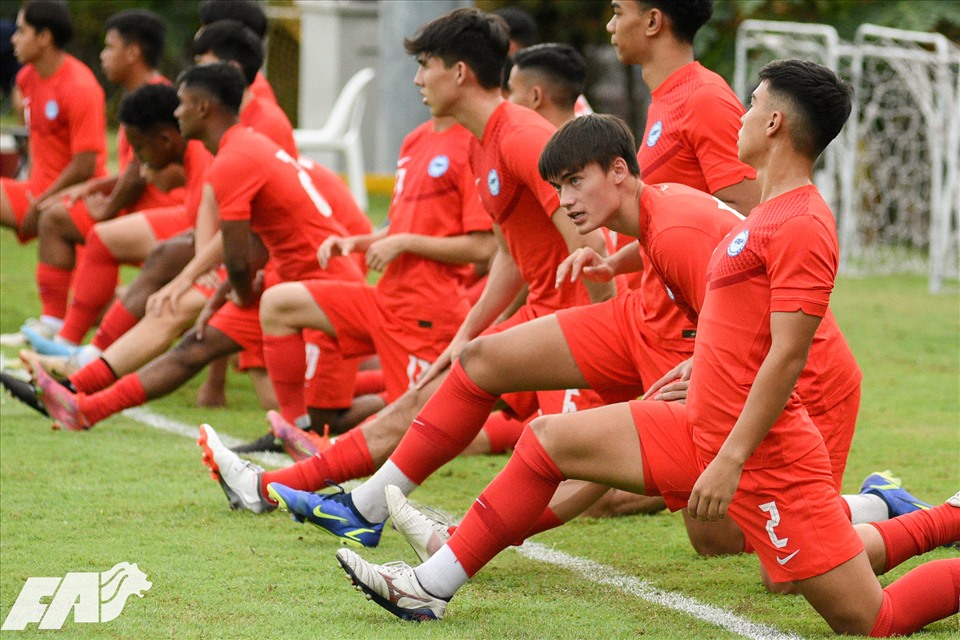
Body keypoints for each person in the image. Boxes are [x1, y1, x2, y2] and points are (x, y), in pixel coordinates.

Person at [334, 61, 960, 635]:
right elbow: (737, 312)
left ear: (774, 123)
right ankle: (430, 587)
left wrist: (731, 459)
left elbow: (788, 357)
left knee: (869, 618)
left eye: (750, 105)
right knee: (547, 440)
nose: (739, 117)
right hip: (699, 425)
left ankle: (942, 518)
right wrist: (696, 357)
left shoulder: (802, 223)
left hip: (765, 454)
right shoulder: (763, 213)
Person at [196, 7, 614, 521]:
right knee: (422, 404)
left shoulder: (521, 135)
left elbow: (591, 238)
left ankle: (355, 509)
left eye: (426, 64)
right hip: (548, 319)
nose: (416, 78)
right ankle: (288, 490)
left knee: (591, 480)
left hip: (579, 326)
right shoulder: (482, 145)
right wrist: (468, 333)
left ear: (459, 72)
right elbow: (510, 254)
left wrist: (602, 327)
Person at [22, 63, 363, 432]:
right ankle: (81, 403)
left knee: (334, 413)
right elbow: (255, 238)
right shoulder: (239, 148)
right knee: (194, 346)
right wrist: (193, 280)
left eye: (182, 103)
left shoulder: (234, 158)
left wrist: (236, 291)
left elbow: (236, 251)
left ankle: (312, 435)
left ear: (203, 108)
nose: (176, 112)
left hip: (324, 281)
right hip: (286, 279)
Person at [21, 9, 180, 351]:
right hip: (137, 204)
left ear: (133, 53)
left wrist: (106, 207)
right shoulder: (138, 95)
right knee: (58, 216)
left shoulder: (158, 99)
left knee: (98, 235)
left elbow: (141, 175)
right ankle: (58, 327)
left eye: (110, 48)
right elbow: (133, 170)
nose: (104, 56)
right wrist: (92, 188)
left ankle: (72, 340)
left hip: (164, 209)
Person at [0, 0, 106, 262]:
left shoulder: (80, 87)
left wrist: (41, 204)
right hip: (37, 191)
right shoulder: (27, 78)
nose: (13, 39)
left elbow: (85, 166)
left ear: (45, 37)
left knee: (87, 298)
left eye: (22, 31)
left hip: (76, 198)